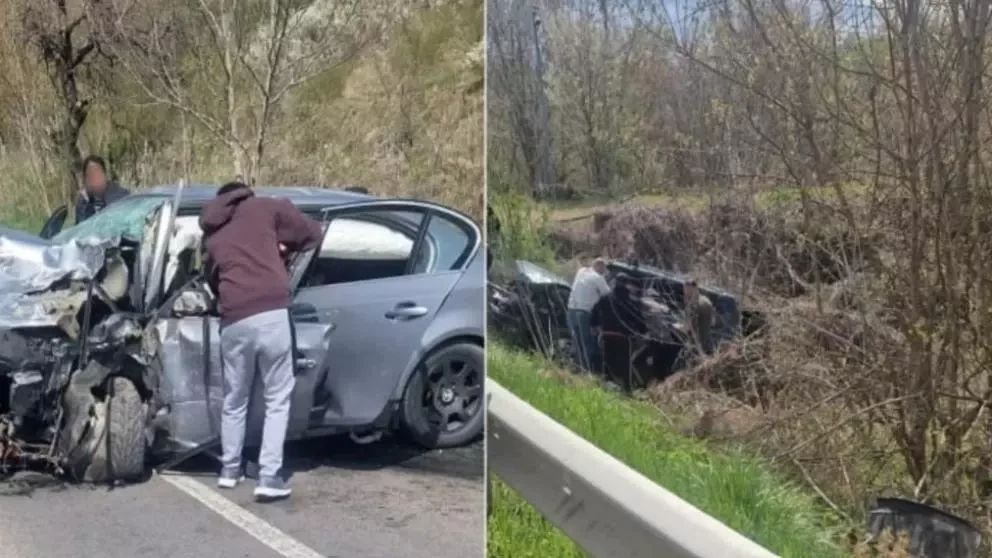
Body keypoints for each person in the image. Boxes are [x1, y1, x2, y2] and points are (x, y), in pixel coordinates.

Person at [200, 181, 322, 501]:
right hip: (271, 313)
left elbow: (211, 279)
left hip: (233, 320)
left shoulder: (212, 234)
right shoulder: (267, 207)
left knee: (235, 398)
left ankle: (229, 470)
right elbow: (311, 233)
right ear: (245, 193)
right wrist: (283, 247)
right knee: (277, 397)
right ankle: (269, 475)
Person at [591, 273, 646, 391]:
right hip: (622, 338)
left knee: (607, 362)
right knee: (624, 366)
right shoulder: (628, 301)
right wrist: (643, 331)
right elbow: (638, 318)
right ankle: (627, 390)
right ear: (626, 285)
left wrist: (594, 325)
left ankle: (605, 387)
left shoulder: (605, 298)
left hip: (606, 335)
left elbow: (594, 310)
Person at [566, 258, 611, 371]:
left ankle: (574, 366)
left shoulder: (581, 271)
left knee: (576, 341)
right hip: (584, 313)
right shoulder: (598, 278)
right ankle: (585, 370)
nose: (603, 272)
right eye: (603, 270)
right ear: (601, 268)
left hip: (571, 311)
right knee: (587, 343)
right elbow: (609, 295)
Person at [75, 155, 130, 223]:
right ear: (85, 180)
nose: (95, 180)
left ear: (105, 176)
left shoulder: (121, 197)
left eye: (98, 175)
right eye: (91, 176)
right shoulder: (83, 202)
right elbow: (80, 228)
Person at [682, 278, 715, 355]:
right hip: (707, 344)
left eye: (687, 290)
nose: (685, 292)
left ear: (694, 289)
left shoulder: (693, 305)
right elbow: (713, 322)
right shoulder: (706, 301)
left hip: (696, 346)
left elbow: (687, 327)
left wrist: (676, 327)